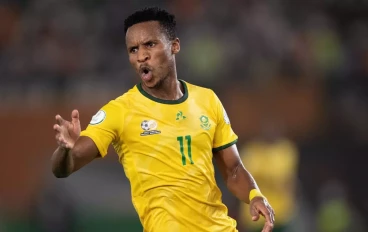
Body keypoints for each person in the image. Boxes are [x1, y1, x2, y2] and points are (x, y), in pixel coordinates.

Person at [51, 7, 275, 232]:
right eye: (133, 49)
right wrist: (65, 151)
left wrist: (255, 195)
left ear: (174, 46)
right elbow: (66, 167)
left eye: (150, 44)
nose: (141, 56)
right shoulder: (120, 111)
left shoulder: (207, 100)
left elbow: (234, 169)